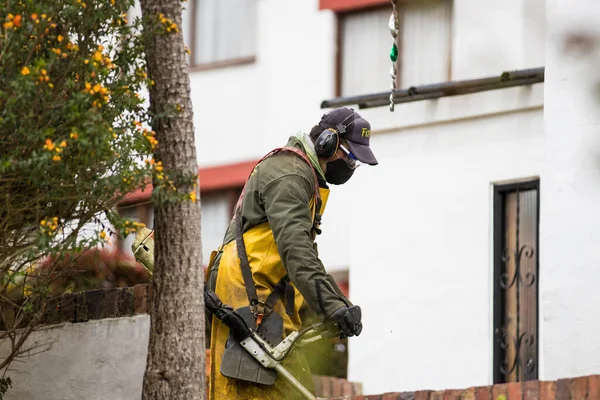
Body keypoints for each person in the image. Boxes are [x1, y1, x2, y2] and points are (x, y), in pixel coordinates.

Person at [205, 107, 378, 400]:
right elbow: (295, 249)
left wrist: (340, 304)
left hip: (265, 301)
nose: (350, 167)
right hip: (248, 300)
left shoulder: (303, 176)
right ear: (327, 142)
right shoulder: (290, 174)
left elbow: (306, 257)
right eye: (349, 157)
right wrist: (332, 308)